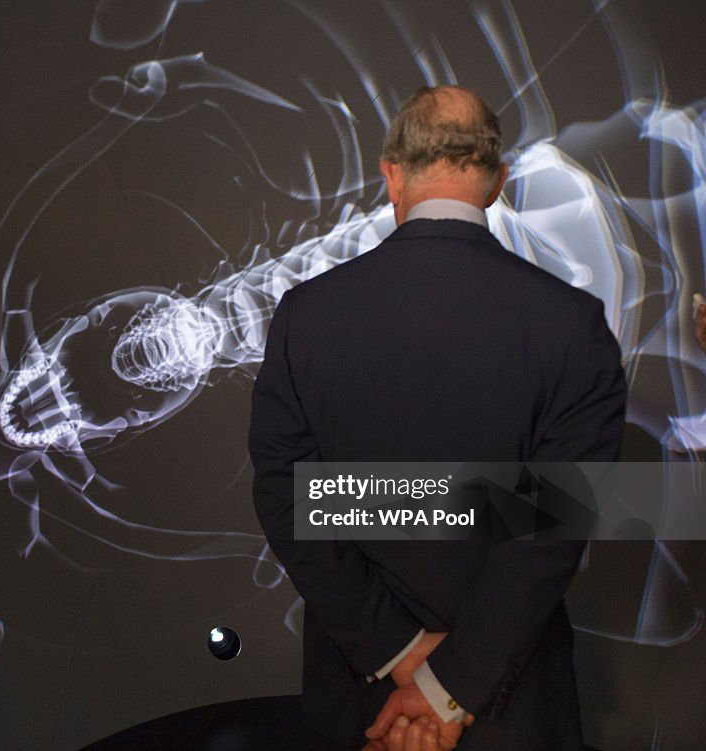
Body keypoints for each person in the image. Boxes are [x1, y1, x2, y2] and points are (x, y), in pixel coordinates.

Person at [248, 85, 627, 751]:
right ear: (497, 182)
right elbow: (556, 523)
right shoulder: (573, 326)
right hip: (512, 710)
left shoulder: (304, 317)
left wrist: (400, 654)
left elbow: (286, 499)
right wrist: (450, 686)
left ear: (391, 174)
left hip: (361, 704)